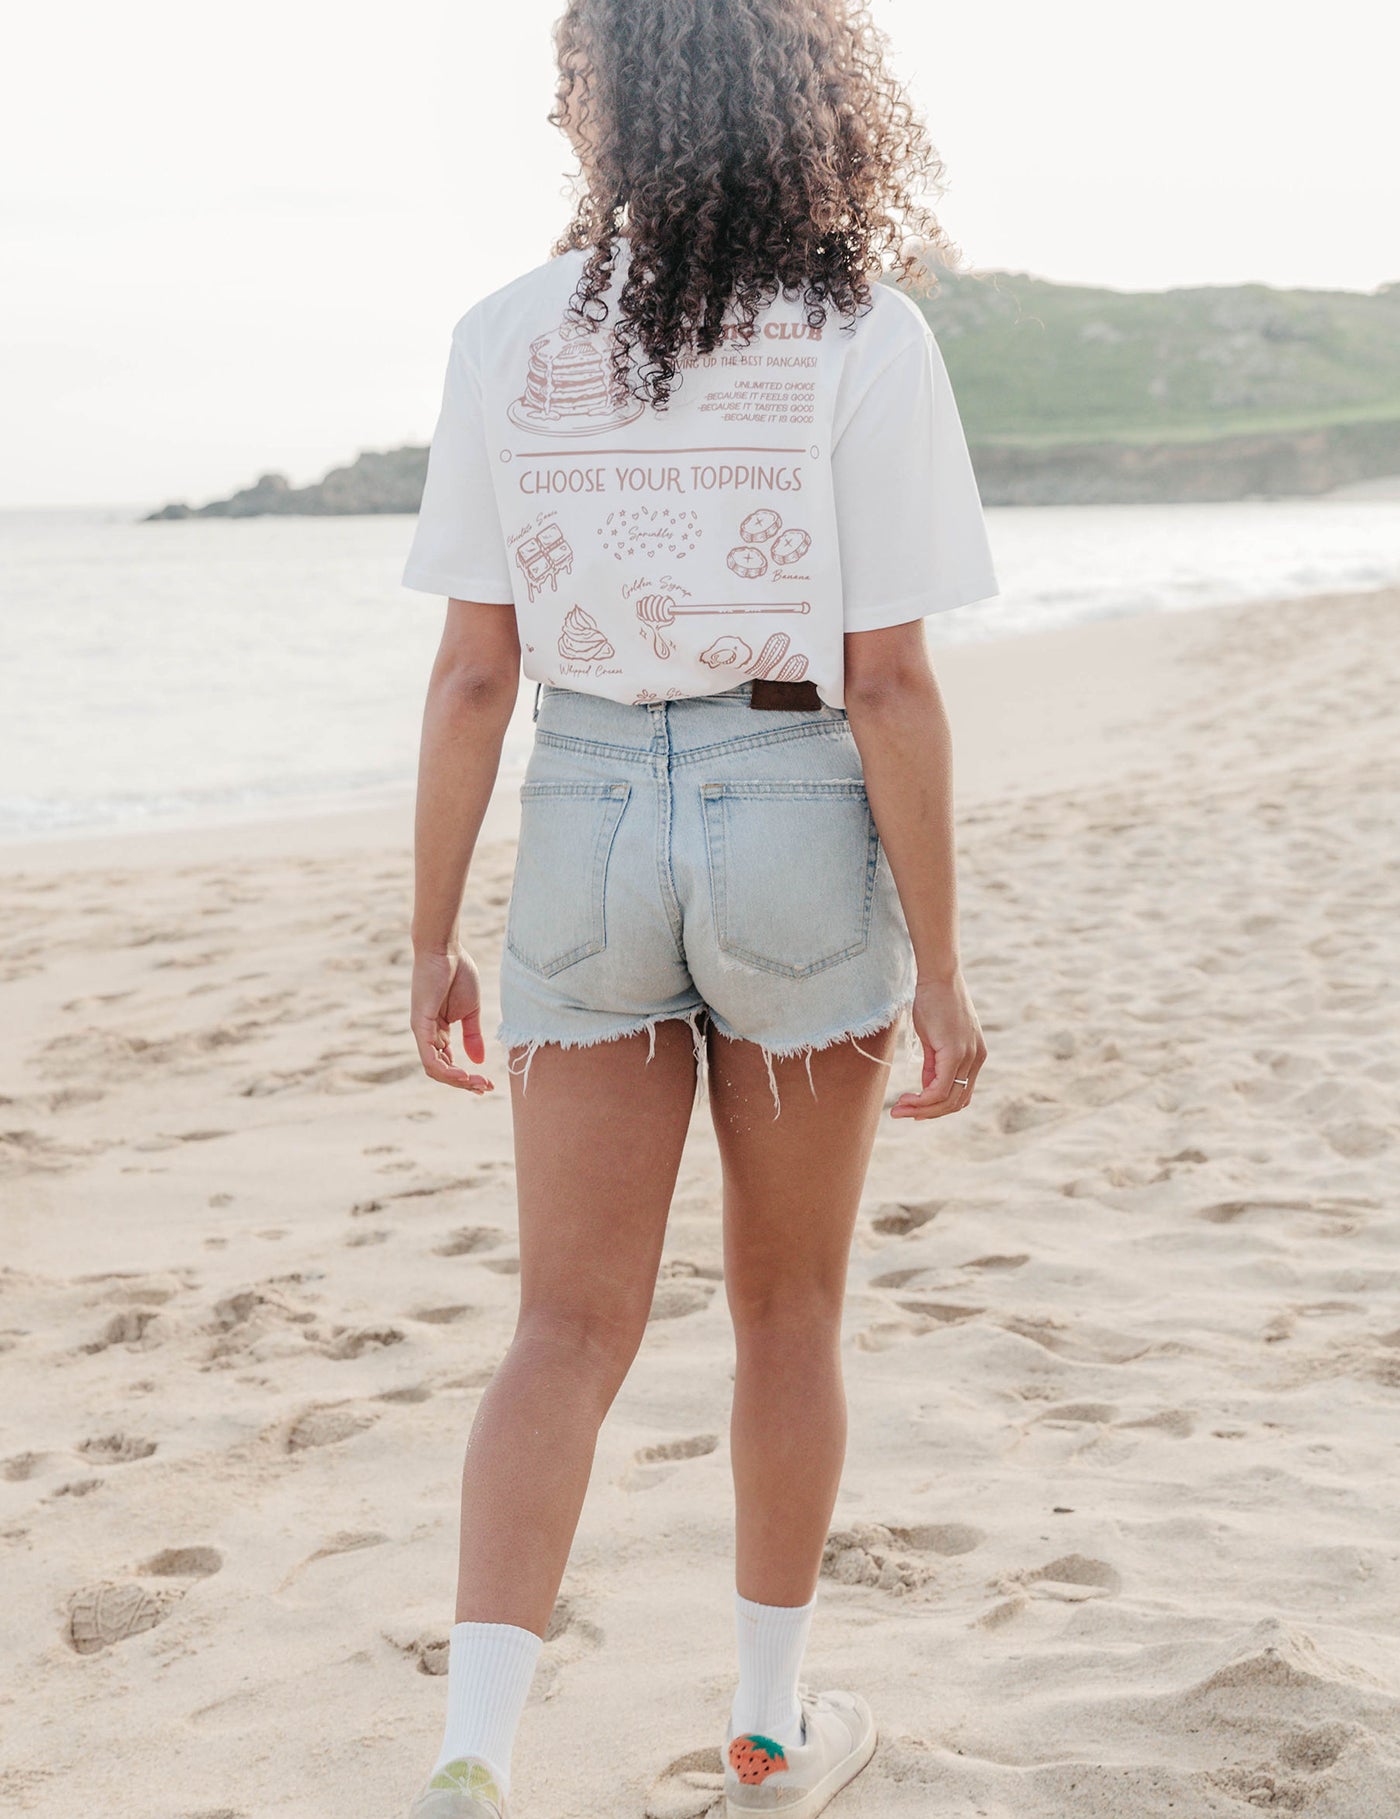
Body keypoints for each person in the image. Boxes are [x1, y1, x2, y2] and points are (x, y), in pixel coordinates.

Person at [398, 2, 996, 1813]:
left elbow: (472, 680)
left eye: (572, 72)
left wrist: (427, 936)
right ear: (801, 102)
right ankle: (761, 1725)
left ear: (611, 100)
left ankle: (474, 1755)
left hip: (582, 808)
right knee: (788, 1312)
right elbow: (887, 681)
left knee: (562, 1329)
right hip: (795, 806)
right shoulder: (859, 334)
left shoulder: (506, 335)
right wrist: (949, 975)